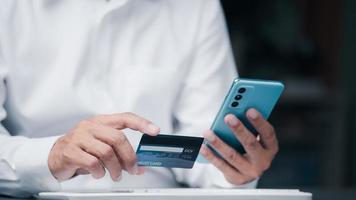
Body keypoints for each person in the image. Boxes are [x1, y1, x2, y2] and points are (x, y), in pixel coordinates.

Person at [0, 0, 279, 197]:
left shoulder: (196, 7)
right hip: (30, 193)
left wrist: (234, 170)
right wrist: (50, 157)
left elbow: (202, 147)